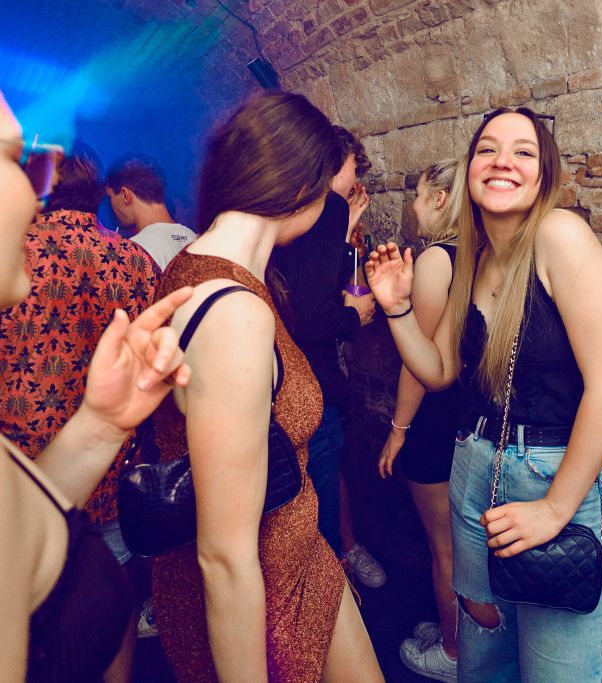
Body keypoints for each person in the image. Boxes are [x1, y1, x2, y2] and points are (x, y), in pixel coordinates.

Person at [0, 43, 193, 681]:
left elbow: (21, 550)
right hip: (116, 478)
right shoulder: (132, 257)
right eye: (13, 160)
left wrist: (99, 425)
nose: (30, 194)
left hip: (32, 444)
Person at [366, 108, 602, 682]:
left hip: (553, 473)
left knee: (555, 671)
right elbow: (440, 371)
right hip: (473, 469)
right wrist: (397, 310)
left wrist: (556, 508)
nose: (502, 161)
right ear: (470, 170)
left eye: (523, 152)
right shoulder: (475, 257)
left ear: (544, 174)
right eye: (487, 149)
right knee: (484, 660)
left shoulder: (560, 236)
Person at [149, 91, 383, 682]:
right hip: (265, 589)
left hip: (301, 555)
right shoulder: (233, 313)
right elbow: (225, 556)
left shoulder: (213, 269)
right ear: (302, 187)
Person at [0, 142, 160, 568]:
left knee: (30, 590)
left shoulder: (9, 253)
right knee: (105, 588)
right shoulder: (137, 259)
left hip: (27, 473)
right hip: (113, 471)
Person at [270, 125, 386, 588]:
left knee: (326, 475)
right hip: (309, 379)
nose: (357, 180)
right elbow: (315, 315)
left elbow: (340, 288)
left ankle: (344, 556)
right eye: (354, 167)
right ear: (334, 164)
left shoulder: (323, 216)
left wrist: (348, 236)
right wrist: (353, 318)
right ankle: (334, 590)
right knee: (314, 491)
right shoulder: (327, 206)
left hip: (296, 379)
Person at [376, 158, 464, 681]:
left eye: (419, 194)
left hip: (435, 420)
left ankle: (453, 653)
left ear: (439, 199)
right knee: (467, 542)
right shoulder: (480, 252)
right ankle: (463, 634)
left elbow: (421, 360)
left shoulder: (436, 259)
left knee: (445, 546)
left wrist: (398, 430)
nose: (412, 205)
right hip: (471, 417)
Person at [106, 154, 197, 270]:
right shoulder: (192, 237)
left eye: (110, 197)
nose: (111, 206)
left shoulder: (135, 250)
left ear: (125, 195)